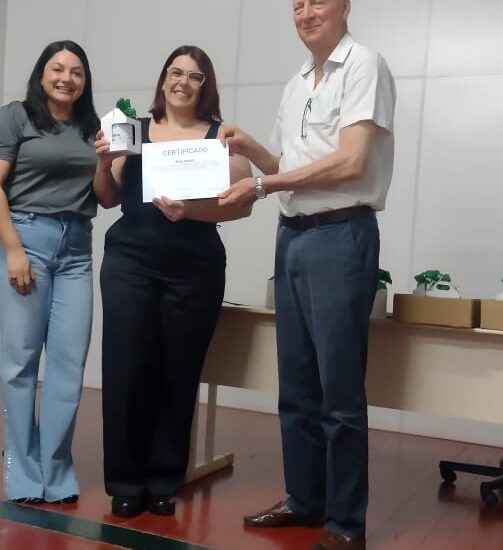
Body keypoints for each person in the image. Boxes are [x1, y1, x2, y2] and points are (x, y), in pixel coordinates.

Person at [218, 1, 396, 549]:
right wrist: (252, 150)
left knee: (338, 390)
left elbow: (352, 161)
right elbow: (285, 169)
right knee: (296, 386)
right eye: (296, 4)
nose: (305, 11)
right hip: (292, 236)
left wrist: (264, 185)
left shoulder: (364, 65)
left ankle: (345, 524)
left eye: (317, 0)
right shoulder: (297, 83)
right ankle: (304, 499)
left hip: (340, 236)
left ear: (345, 5)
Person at [94, 45, 253, 518]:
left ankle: (164, 479)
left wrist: (192, 211)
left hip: (195, 268)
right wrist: (102, 162)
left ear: (206, 86)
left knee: (178, 372)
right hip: (130, 263)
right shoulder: (131, 128)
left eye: (194, 76)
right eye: (175, 72)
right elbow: (106, 197)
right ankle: (125, 481)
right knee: (126, 370)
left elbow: (242, 205)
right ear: (163, 79)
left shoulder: (220, 136)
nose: (183, 82)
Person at [0, 40, 100, 504]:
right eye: (58, 68)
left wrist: (110, 161)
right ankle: (22, 470)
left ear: (85, 81)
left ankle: (56, 468)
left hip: (77, 247)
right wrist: (13, 249)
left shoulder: (92, 127)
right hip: (24, 237)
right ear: (42, 74)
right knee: (21, 360)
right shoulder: (15, 117)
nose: (67, 78)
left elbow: (105, 195)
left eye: (77, 71)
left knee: (69, 360)